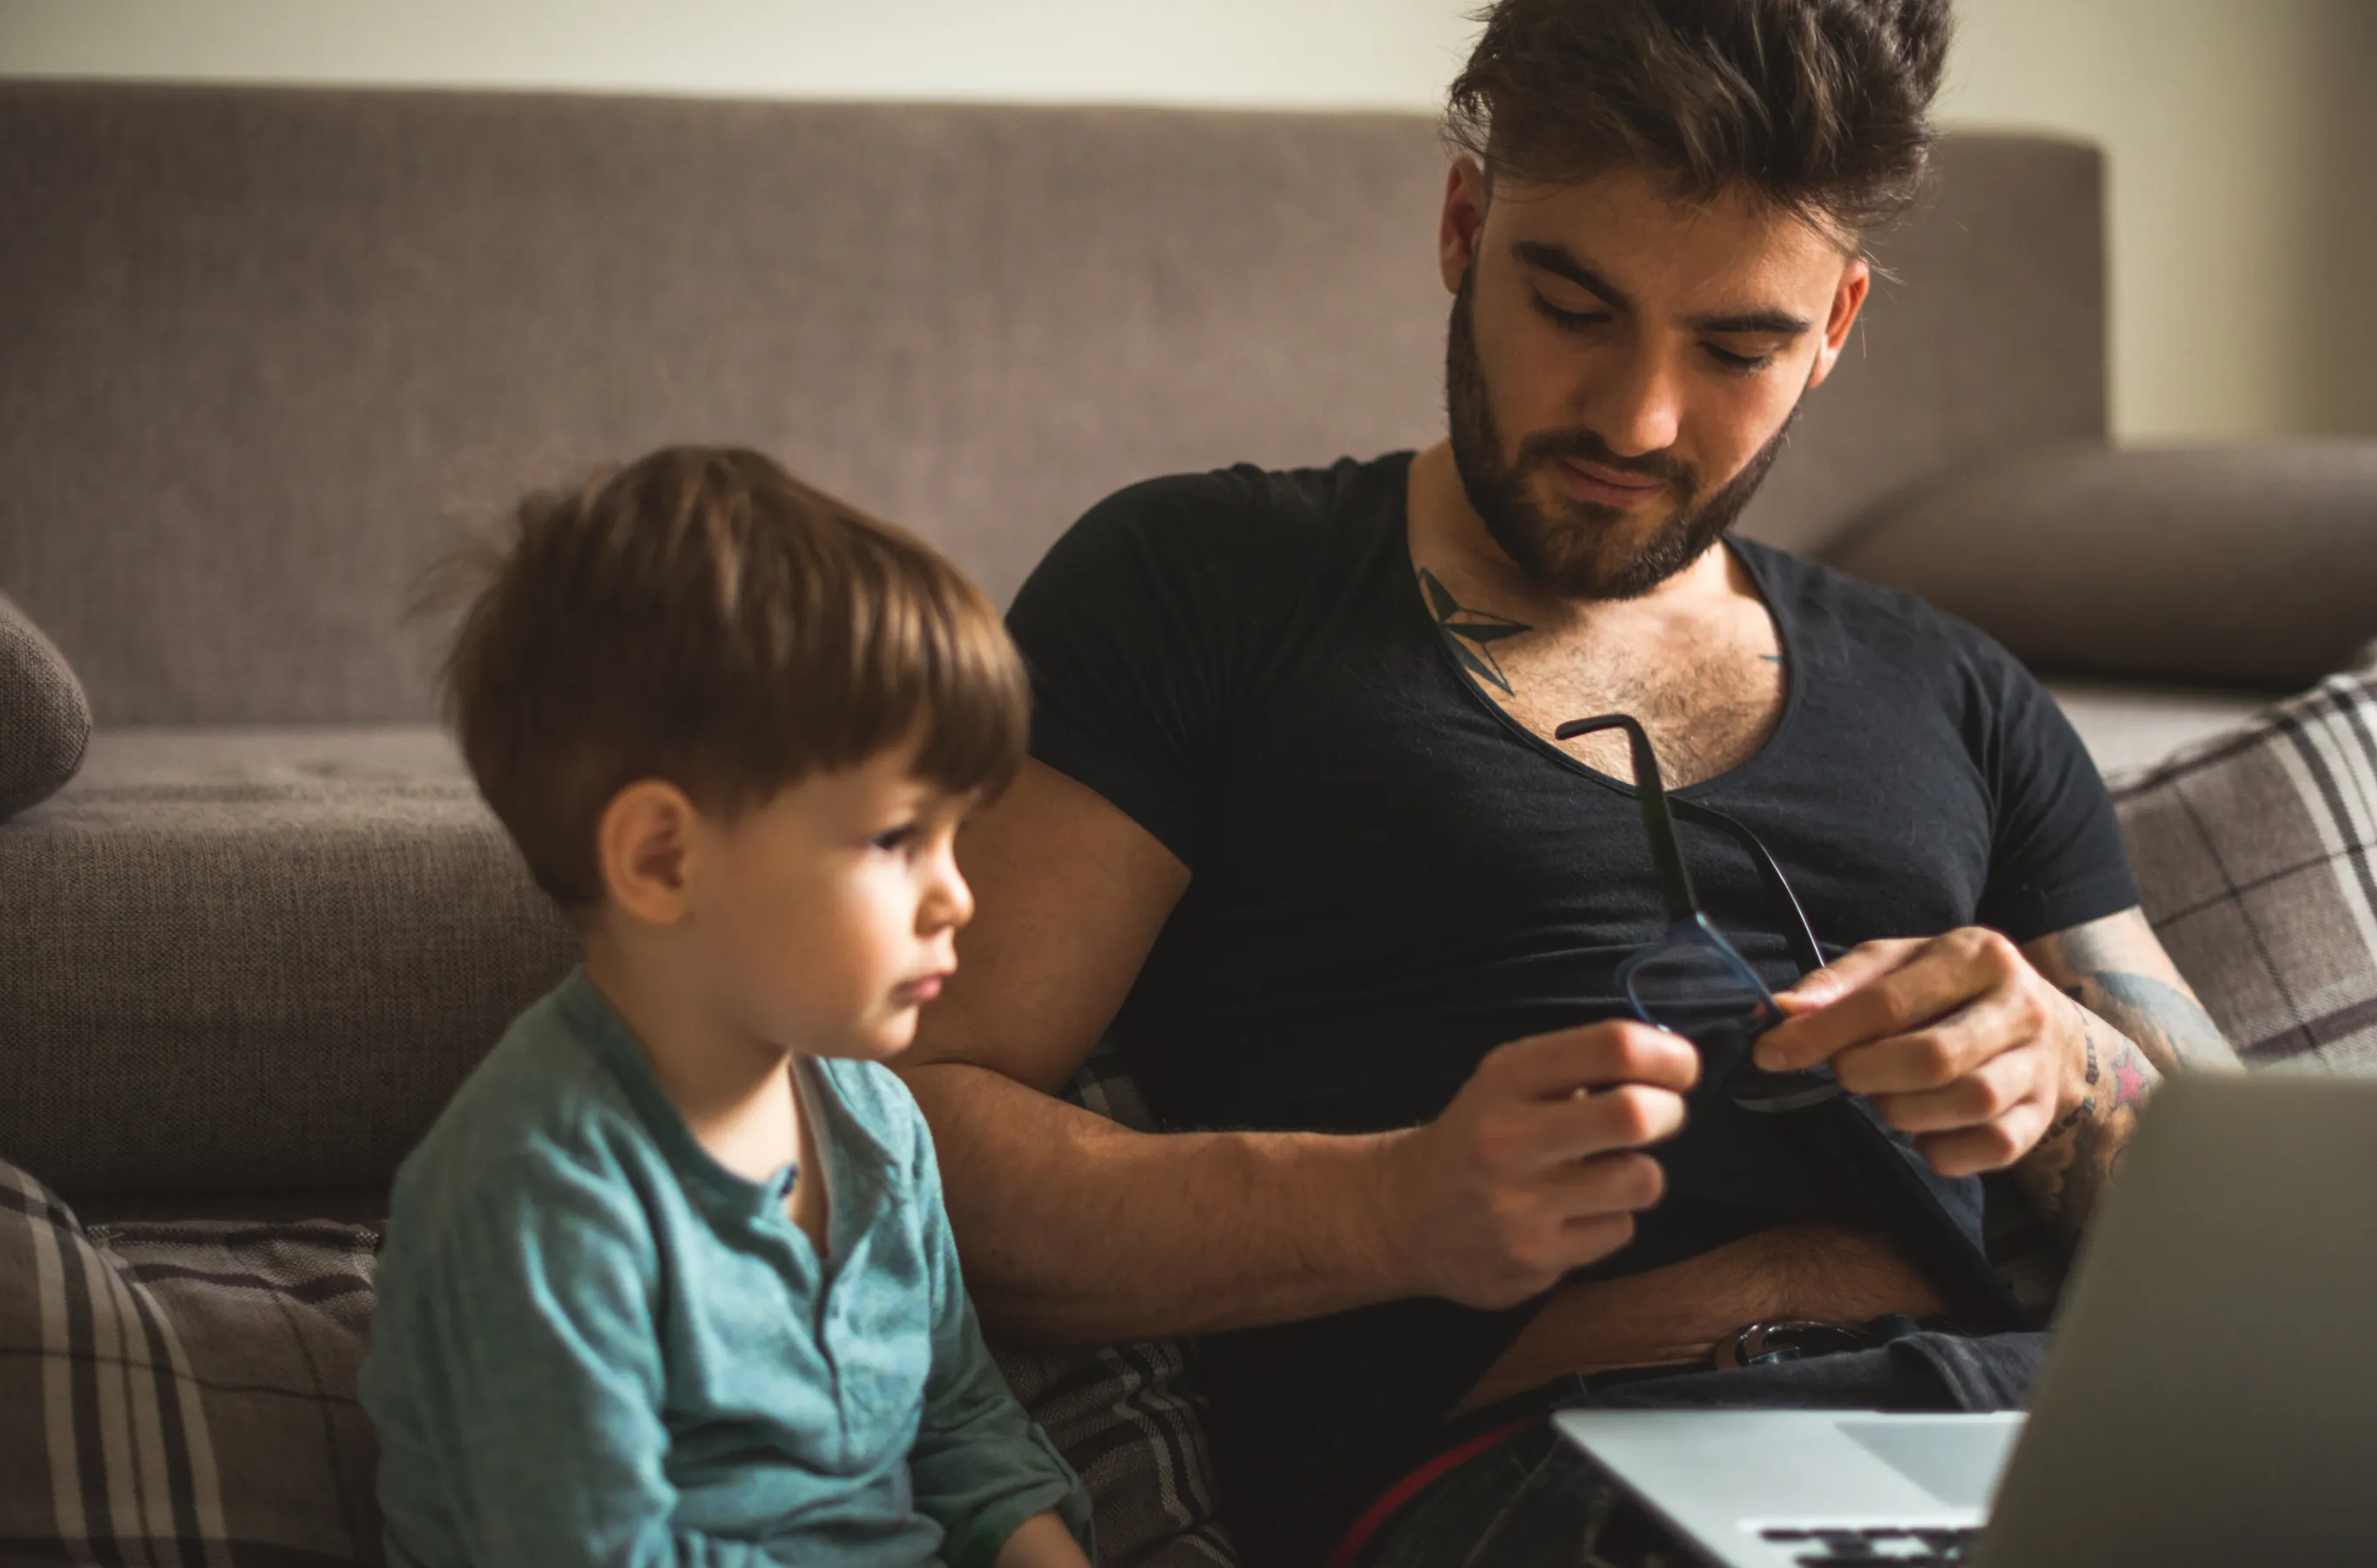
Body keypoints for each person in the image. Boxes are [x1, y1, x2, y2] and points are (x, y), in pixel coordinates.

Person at [895, 2, 2238, 1563]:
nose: (1637, 419)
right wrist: (1392, 1211)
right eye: (1574, 305)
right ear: (1465, 226)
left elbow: (2278, 1238)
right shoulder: (1203, 588)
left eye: (1737, 346)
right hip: (1558, 1480)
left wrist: (2071, 1072)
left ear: (1839, 328)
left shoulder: (1962, 689)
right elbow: (901, 1129)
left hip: (2034, 1448)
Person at [357, 448, 1094, 1568]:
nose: (958, 894)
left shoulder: (878, 1129)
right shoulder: (540, 1201)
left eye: (956, 835)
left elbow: (957, 1425)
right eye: (897, 839)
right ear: (662, 859)